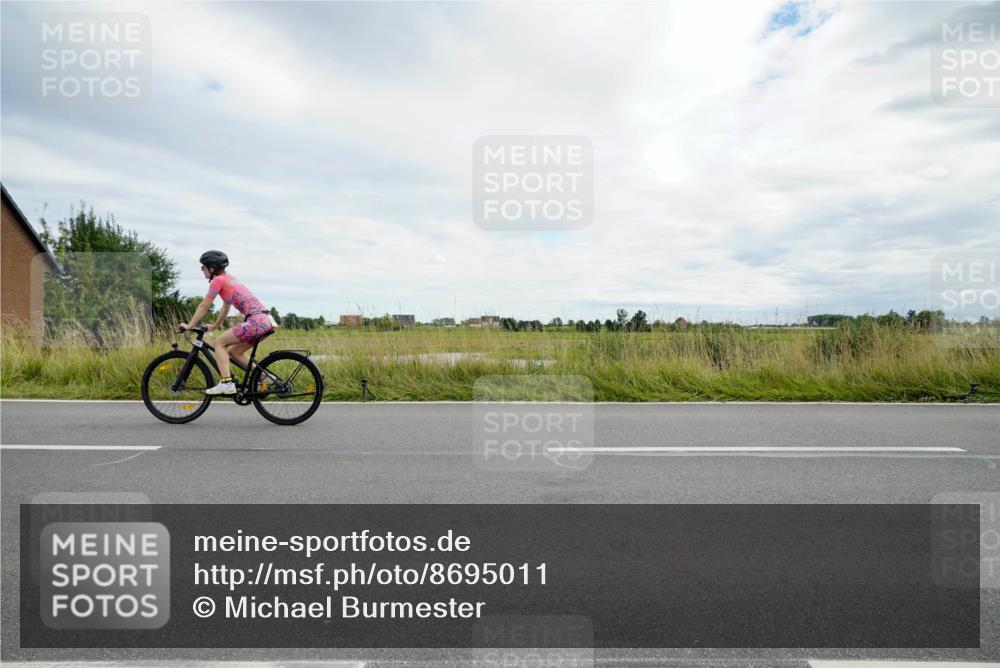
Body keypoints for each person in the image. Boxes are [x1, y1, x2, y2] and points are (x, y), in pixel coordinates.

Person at [180, 250, 275, 395]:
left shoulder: (217, 281)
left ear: (211, 268)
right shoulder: (230, 279)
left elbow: (204, 305)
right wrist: (215, 326)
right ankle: (264, 378)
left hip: (255, 321)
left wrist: (189, 326)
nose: (202, 270)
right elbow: (226, 307)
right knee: (234, 351)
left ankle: (226, 383)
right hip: (266, 320)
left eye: (203, 267)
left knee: (219, 343)